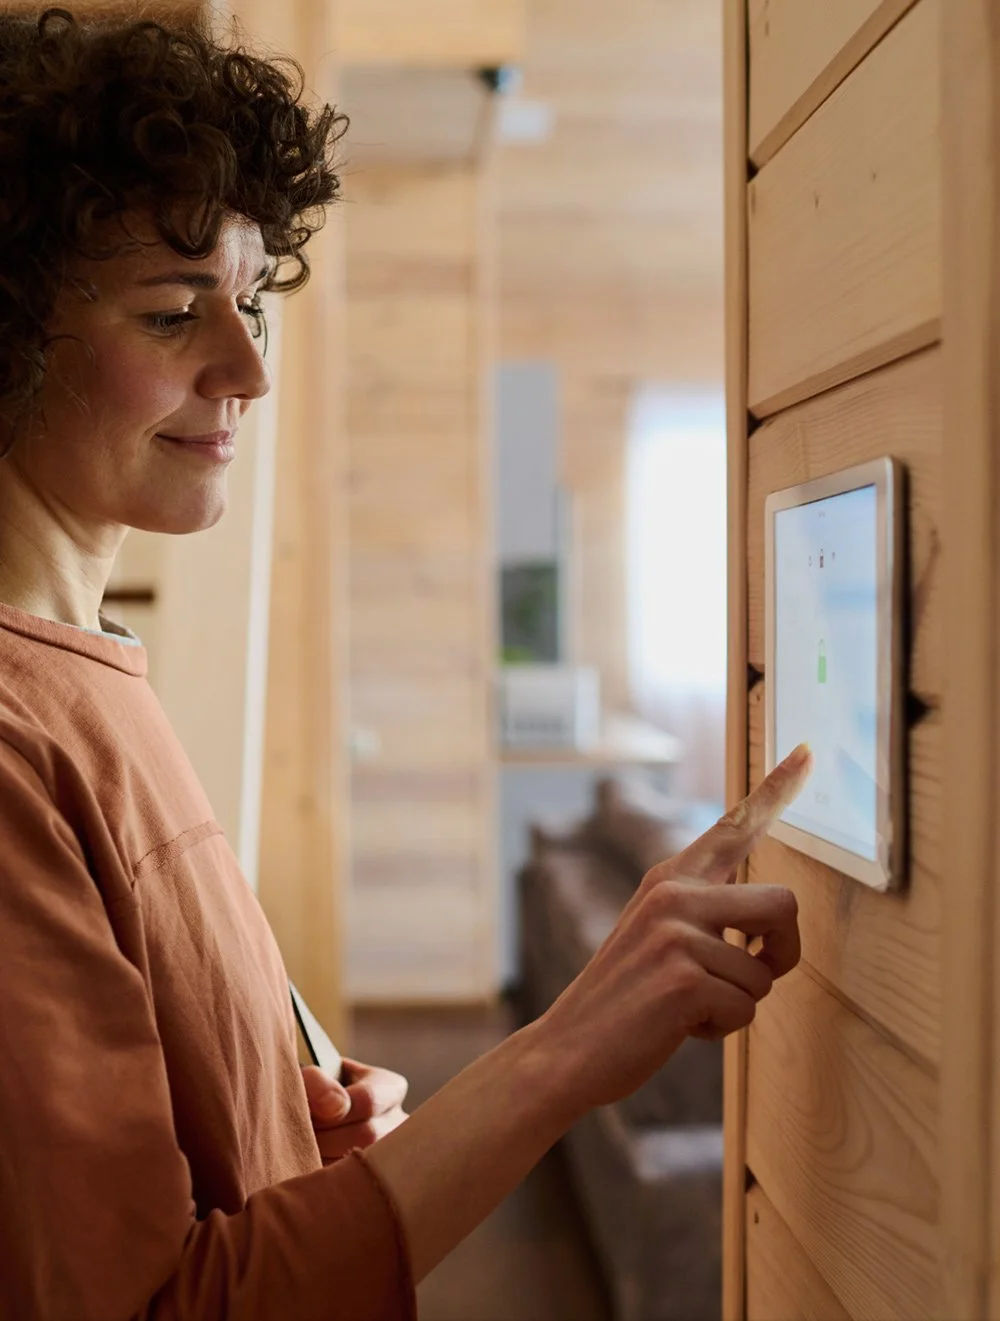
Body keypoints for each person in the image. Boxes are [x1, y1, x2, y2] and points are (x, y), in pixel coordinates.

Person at [0, 8, 811, 1320]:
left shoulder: (94, 670)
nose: (250, 369)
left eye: (253, 302)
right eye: (172, 312)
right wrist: (560, 1055)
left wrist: (281, 1121)